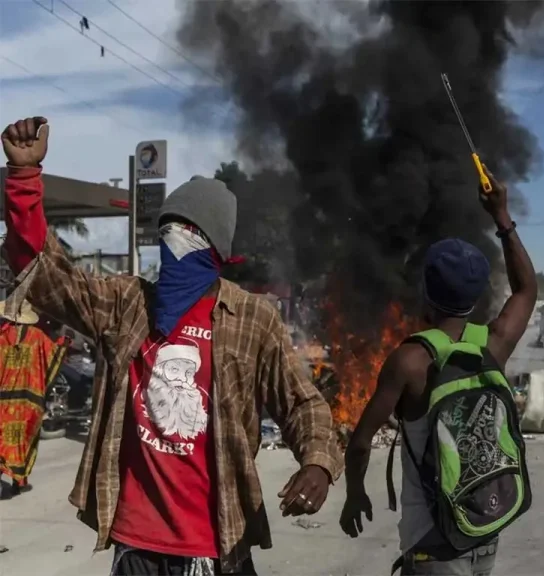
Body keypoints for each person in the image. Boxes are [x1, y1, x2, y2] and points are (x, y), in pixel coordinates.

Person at [1, 116, 343, 575]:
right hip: (136, 544)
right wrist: (24, 179)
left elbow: (304, 404)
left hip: (217, 542)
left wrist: (317, 464)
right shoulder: (127, 303)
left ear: (216, 248)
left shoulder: (251, 318)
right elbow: (48, 277)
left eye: (186, 230)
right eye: (167, 229)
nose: (172, 242)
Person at [340, 166, 537, 575]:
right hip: (484, 526)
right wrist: (502, 217)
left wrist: (354, 493)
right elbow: (526, 290)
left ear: (426, 291)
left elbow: (360, 443)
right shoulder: (494, 343)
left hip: (433, 544)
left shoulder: (409, 360)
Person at [0, 298, 67, 499]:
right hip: (30, 400)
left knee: (2, 438)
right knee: (23, 440)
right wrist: (65, 343)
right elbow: (53, 356)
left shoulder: (2, 336)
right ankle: (18, 481)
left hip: (3, 400)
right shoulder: (37, 336)